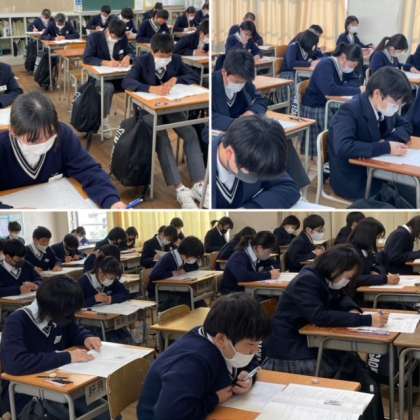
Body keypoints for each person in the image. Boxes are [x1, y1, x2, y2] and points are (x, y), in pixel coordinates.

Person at [262, 245, 386, 419]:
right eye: (348, 277)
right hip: (289, 352)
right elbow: (319, 316)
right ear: (336, 268)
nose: (347, 281)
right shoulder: (307, 280)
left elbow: (342, 297)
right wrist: (366, 320)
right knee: (347, 370)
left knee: (355, 366)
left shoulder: (326, 278)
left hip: (308, 342)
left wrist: (352, 311)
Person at [138, 293, 271, 419]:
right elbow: (169, 416)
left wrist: (248, 376)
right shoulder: (192, 363)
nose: (255, 350)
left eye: (258, 343)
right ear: (221, 339)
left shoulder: (224, 341)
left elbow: (250, 361)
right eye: (251, 344)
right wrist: (214, 399)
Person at [122, 33, 207, 209]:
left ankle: (199, 184)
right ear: (153, 52)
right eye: (161, 56)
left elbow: (192, 76)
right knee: (161, 138)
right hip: (148, 110)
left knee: (190, 133)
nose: (165, 59)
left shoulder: (175, 60)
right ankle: (180, 189)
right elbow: (127, 82)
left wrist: (176, 79)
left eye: (168, 55)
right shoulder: (142, 61)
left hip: (170, 107)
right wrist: (150, 88)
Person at [0, 277, 105, 418]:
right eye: (68, 314)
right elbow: (15, 363)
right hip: (27, 395)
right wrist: (67, 357)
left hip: (61, 384)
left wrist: (86, 337)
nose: (71, 317)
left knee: (105, 413)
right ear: (52, 310)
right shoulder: (16, 321)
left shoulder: (59, 314)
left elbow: (74, 330)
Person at [0, 92, 124, 209]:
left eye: (50, 134)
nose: (44, 142)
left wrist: (111, 201)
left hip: (55, 201)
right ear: (13, 132)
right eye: (34, 140)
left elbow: (88, 170)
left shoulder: (63, 134)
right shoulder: (3, 146)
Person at [329, 67, 412, 201]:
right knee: (404, 197)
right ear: (377, 94)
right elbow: (343, 147)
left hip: (378, 168)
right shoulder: (350, 110)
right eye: (396, 102)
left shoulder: (383, 107)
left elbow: (406, 125)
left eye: (400, 103)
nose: (397, 107)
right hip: (355, 178)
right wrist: (386, 147)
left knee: (410, 191)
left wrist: (389, 141)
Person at [212, 115, 301, 209]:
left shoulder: (261, 153)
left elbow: (289, 187)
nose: (257, 175)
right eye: (252, 172)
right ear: (229, 153)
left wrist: (250, 208)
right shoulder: (207, 173)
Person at [301, 43, 363, 157]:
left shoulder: (343, 66)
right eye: (352, 65)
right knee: (341, 127)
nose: (353, 68)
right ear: (343, 58)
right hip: (315, 107)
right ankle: (335, 156)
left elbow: (355, 80)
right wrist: (357, 90)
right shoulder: (326, 64)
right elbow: (330, 90)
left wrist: (348, 87)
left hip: (330, 104)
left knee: (350, 120)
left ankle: (344, 154)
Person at [83, 18, 131, 140]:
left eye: (119, 38)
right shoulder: (94, 37)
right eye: (115, 37)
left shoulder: (122, 37)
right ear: (109, 31)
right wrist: (104, 62)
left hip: (118, 76)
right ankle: (103, 120)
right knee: (108, 88)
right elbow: (87, 58)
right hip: (99, 77)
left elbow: (131, 51)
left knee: (134, 84)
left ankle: (134, 121)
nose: (117, 40)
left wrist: (128, 57)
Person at [346, 217, 398, 298]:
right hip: (354, 295)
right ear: (367, 236)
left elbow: (376, 266)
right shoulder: (350, 252)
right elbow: (353, 278)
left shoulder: (366, 250)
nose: (377, 240)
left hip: (366, 291)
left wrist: (374, 272)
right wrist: (383, 279)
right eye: (376, 237)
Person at [148, 236, 204, 310]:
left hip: (178, 289)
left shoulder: (187, 259)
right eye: (195, 257)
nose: (195, 259)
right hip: (160, 292)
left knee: (198, 300)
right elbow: (154, 275)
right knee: (187, 301)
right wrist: (172, 274)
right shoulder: (169, 258)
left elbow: (193, 270)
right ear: (186, 253)